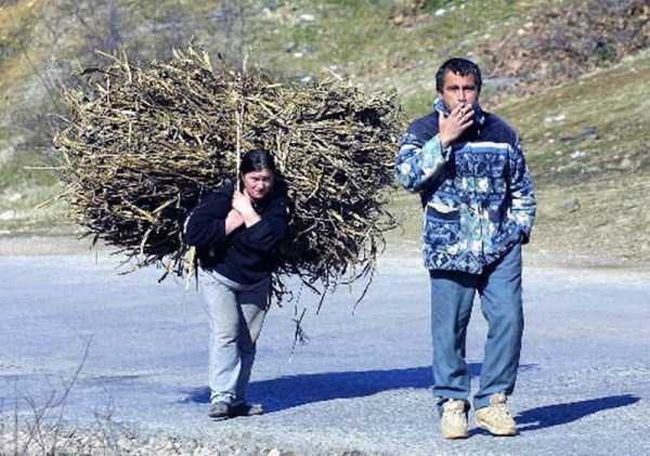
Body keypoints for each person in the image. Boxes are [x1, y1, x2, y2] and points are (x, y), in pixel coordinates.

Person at [395, 58, 536, 439]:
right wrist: (443, 140)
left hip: (500, 246)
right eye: (454, 89)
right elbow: (405, 177)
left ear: (478, 90)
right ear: (440, 92)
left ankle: (493, 403)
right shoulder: (423, 129)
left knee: (509, 319)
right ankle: (453, 403)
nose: (462, 96)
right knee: (449, 331)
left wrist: (520, 227)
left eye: (468, 88)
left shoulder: (501, 131)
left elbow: (521, 186)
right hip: (449, 246)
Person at [184, 149, 290, 420]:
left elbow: (270, 241)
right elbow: (192, 233)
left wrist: (247, 213)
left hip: (256, 281)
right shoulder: (224, 197)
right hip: (219, 277)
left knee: (247, 342)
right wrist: (229, 223)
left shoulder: (279, 201)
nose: (260, 185)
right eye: (254, 178)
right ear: (243, 177)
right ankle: (221, 398)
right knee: (226, 332)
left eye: (266, 178)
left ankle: (238, 400)